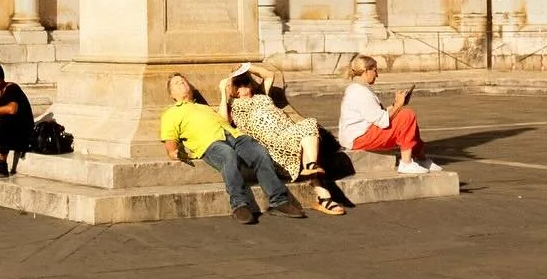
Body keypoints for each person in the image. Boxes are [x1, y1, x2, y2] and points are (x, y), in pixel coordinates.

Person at [160, 73, 306, 224]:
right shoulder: (171, 114)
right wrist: (172, 151)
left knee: (259, 153)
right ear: (172, 94)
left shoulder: (204, 108)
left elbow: (225, 119)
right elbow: (170, 139)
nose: (183, 83)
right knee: (228, 155)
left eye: (184, 81)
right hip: (210, 143)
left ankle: (279, 202)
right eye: (177, 83)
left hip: (234, 135)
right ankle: (239, 204)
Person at [218, 63, 345, 214]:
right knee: (308, 128)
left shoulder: (262, 95)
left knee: (308, 132)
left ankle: (321, 190)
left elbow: (269, 75)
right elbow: (223, 122)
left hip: (290, 134)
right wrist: (223, 91)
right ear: (232, 89)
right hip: (275, 147)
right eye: (238, 84)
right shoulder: (232, 105)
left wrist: (246, 67)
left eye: (245, 82)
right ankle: (318, 184)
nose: (243, 86)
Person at [337, 55, 442, 174]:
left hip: (359, 135)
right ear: (366, 71)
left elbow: (376, 114)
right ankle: (406, 163)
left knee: (406, 120)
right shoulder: (360, 91)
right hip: (358, 138)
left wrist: (395, 105)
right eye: (375, 70)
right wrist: (398, 106)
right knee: (407, 115)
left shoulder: (358, 88)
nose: (377, 74)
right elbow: (382, 120)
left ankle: (421, 158)